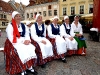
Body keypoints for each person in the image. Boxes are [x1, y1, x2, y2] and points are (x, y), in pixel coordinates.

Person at [5, 11, 37, 75]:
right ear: (13, 17)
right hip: (13, 42)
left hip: (22, 40)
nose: (18, 17)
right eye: (16, 16)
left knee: (30, 47)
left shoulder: (23, 25)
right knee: (20, 50)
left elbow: (27, 34)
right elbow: (11, 37)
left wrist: (27, 40)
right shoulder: (10, 26)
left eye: (19, 16)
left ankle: (29, 67)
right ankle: (22, 69)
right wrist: (23, 41)